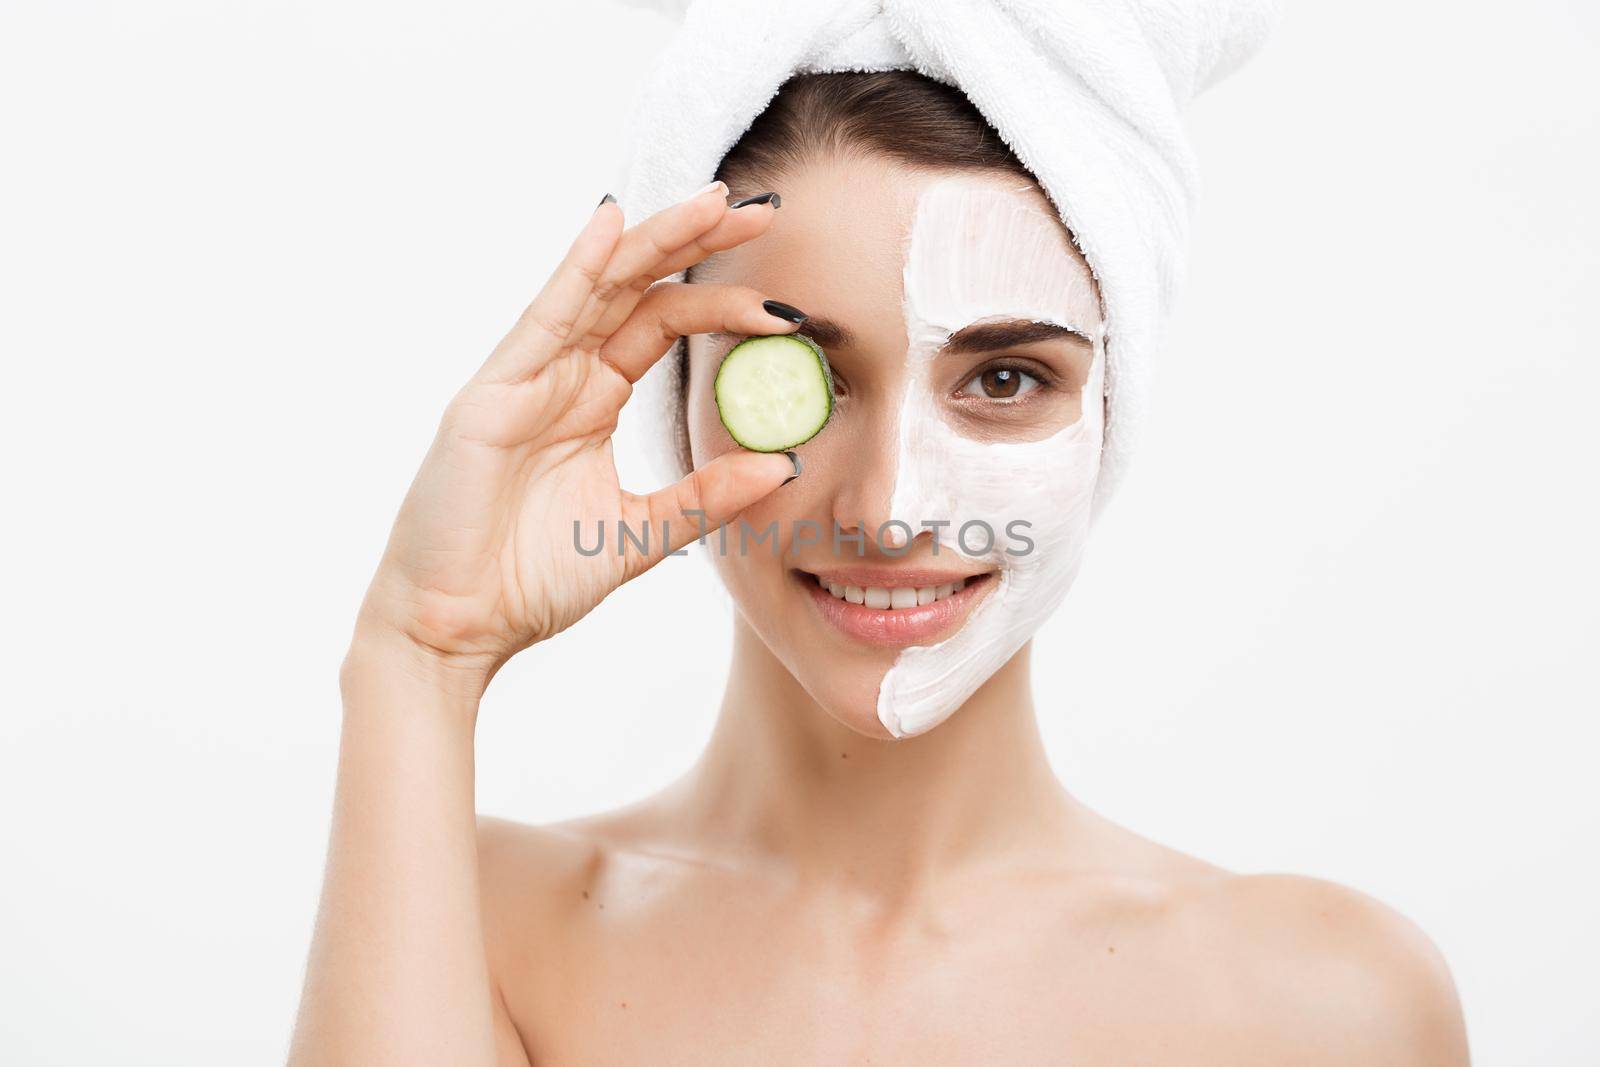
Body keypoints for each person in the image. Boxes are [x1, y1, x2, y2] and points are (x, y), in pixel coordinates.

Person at [287, 72, 1470, 1065]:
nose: (889, 507)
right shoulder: (479, 919)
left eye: (1003, 379)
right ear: (675, 401)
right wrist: (419, 651)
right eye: (803, 376)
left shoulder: (1324, 1002)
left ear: (1113, 410)